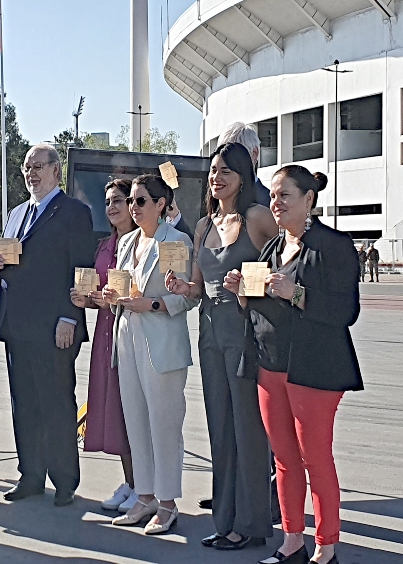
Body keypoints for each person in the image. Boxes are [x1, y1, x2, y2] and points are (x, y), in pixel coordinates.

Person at [224, 165, 363, 564]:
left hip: (314, 368)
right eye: (272, 195)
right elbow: (258, 309)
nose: (276, 203)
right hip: (269, 366)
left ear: (309, 200)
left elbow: (345, 311)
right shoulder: (270, 249)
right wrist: (242, 294)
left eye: (285, 195)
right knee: (283, 460)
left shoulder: (333, 245)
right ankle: (291, 541)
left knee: (314, 458)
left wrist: (296, 293)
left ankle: (326, 546)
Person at [165, 143, 279, 550]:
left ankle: (251, 525)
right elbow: (198, 288)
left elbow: (284, 265)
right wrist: (182, 287)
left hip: (247, 333)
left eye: (226, 171)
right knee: (220, 428)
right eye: (213, 170)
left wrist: (251, 286)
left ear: (244, 176)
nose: (217, 177)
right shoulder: (204, 225)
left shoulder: (257, 218)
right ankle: (226, 519)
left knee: (249, 430)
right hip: (211, 334)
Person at [0, 143, 94, 507]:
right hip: (17, 323)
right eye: (26, 167)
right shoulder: (17, 213)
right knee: (25, 403)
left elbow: (84, 270)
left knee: (57, 401)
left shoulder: (74, 212)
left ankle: (64, 480)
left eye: (38, 166)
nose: (31, 173)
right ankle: (30, 474)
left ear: (55, 170)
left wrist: (70, 317)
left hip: (54, 326)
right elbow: (8, 260)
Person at [104, 174, 197, 535]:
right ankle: (144, 495)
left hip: (161, 339)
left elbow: (188, 296)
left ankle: (168, 501)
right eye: (131, 201)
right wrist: (112, 297)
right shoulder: (127, 241)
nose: (133, 207)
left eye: (141, 201)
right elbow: (121, 285)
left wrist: (153, 303)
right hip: (128, 333)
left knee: (164, 424)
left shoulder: (175, 240)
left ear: (161, 204)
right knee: (136, 421)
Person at [70, 179, 136, 512]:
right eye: (108, 201)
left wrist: (111, 300)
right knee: (114, 408)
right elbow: (102, 296)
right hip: (106, 331)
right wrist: (88, 300)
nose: (112, 207)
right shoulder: (104, 246)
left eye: (119, 201)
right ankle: (131, 482)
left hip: (133, 331)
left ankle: (145, 485)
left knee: (133, 409)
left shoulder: (144, 244)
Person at [219, 122, 271, 207]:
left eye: (235, 154)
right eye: (222, 154)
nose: (226, 161)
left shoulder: (272, 205)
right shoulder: (213, 200)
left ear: (254, 154)